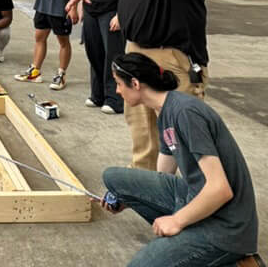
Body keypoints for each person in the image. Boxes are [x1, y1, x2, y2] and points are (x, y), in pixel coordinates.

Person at [66, 0, 209, 170]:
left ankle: (198, 193)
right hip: (136, 51)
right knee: (142, 128)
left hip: (173, 55)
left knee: (182, 130)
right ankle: (146, 184)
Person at [102, 53, 258, 267]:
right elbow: (163, 175)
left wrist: (177, 221)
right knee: (113, 178)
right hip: (195, 195)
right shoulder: (164, 109)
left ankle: (227, 260)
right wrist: (128, 198)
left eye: (119, 84)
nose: (117, 90)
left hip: (225, 226)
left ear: (135, 84)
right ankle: (185, 244)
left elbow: (221, 189)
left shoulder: (185, 113)